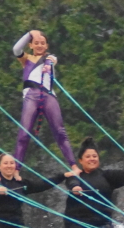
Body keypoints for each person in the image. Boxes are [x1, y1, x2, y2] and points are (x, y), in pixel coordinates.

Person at [11, 30, 80, 172]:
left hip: (48, 96)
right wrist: (30, 34)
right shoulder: (26, 59)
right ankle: (16, 169)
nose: (39, 45)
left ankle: (73, 165)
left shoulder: (50, 57)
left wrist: (48, 64)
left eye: (42, 43)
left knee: (60, 132)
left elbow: (53, 60)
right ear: (30, 45)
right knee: (24, 134)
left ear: (47, 46)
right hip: (31, 96)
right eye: (36, 43)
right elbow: (16, 49)